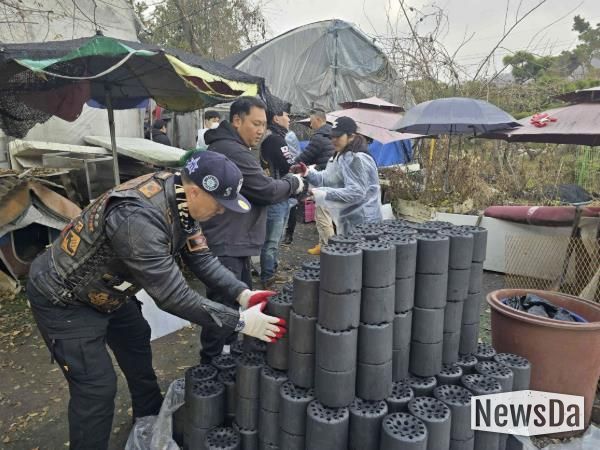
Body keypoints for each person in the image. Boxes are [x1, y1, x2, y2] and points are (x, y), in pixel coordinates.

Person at [26, 151, 285, 450]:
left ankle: (149, 416)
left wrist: (242, 293)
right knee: (96, 388)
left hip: (109, 291)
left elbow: (201, 258)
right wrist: (239, 322)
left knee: (135, 338)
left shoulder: (182, 200)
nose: (221, 212)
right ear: (196, 191)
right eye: (219, 204)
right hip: (65, 297)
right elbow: (173, 296)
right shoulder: (138, 217)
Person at [201, 96, 304, 361]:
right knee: (222, 308)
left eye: (264, 125)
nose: (260, 131)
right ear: (237, 120)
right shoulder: (232, 151)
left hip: (234, 242)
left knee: (234, 304)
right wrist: (294, 183)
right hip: (227, 242)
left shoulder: (229, 147)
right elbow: (265, 190)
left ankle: (226, 354)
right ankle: (210, 365)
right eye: (255, 124)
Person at [292, 116, 382, 235]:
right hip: (348, 220)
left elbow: (356, 192)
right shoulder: (341, 155)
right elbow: (327, 178)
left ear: (351, 136)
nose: (333, 140)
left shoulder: (357, 158)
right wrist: (307, 173)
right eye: (332, 136)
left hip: (364, 223)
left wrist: (323, 193)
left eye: (338, 136)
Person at [259, 107, 296, 288]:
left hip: (276, 193)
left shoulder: (269, 137)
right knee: (272, 241)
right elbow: (289, 165)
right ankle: (267, 277)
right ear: (276, 118)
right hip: (277, 196)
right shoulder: (276, 139)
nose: (289, 119)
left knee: (275, 239)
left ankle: (272, 270)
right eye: (286, 115)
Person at [292, 108, 335, 254]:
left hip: (323, 179)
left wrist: (291, 165)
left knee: (322, 215)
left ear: (318, 119)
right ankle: (322, 244)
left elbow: (306, 156)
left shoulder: (319, 137)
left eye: (311, 121)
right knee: (327, 213)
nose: (310, 125)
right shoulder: (332, 134)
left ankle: (329, 249)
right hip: (331, 177)